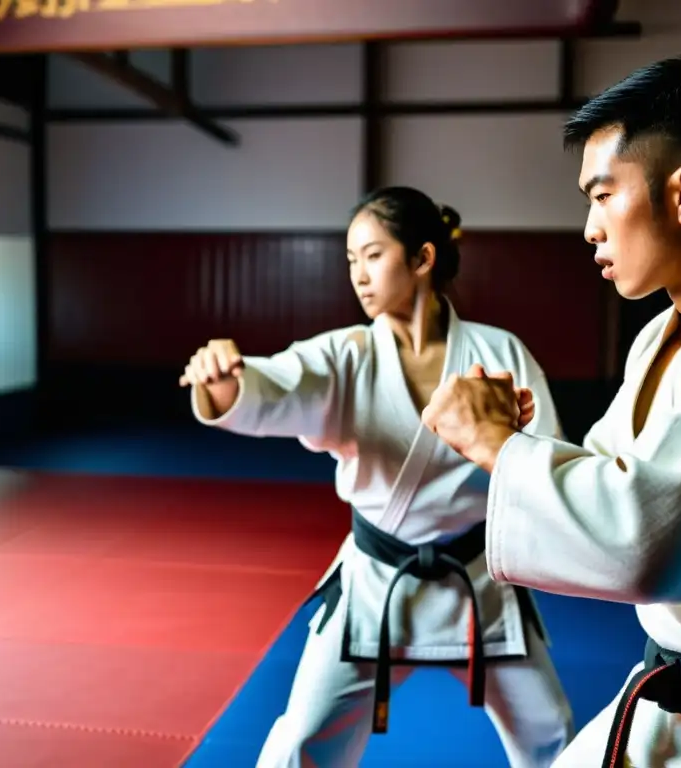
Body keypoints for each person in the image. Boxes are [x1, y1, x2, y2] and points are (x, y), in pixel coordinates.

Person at [420, 56, 681, 767]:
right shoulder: (667, 333)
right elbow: (617, 474)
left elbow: (649, 546)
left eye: (602, 195)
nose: (589, 228)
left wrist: (500, 445)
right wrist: (524, 441)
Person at [179, 186, 574, 767]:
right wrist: (224, 382)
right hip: (375, 580)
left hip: (478, 583)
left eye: (372, 255)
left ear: (422, 259)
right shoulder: (346, 354)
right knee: (300, 740)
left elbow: (550, 462)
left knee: (553, 733)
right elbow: (276, 381)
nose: (357, 275)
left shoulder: (497, 353)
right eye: (350, 261)